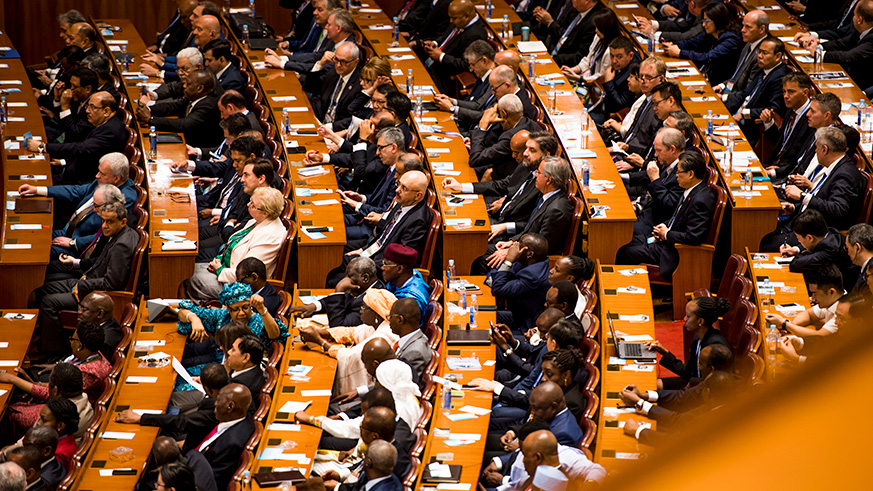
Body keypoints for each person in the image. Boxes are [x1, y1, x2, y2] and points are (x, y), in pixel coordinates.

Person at [33, 201, 138, 355]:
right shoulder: (120, 234)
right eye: (103, 221)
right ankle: (42, 338)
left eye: (110, 221)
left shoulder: (122, 245)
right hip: (88, 281)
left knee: (48, 302)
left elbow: (112, 283)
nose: (104, 226)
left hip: (98, 293)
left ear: (123, 222)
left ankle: (53, 353)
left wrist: (83, 285)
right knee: (42, 289)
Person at [615, 151, 716, 279]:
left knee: (626, 252)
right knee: (624, 242)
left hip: (673, 251)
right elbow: (678, 217)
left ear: (690, 174)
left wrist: (667, 234)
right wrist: (664, 226)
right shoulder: (691, 189)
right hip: (664, 240)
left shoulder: (700, 201)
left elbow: (693, 237)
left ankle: (624, 285)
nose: (676, 175)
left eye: (679, 172)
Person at [18, 152, 135, 261]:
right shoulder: (105, 180)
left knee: (35, 250)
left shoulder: (124, 198)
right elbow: (76, 191)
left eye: (102, 174)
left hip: (79, 247)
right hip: (66, 232)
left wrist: (74, 243)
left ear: (116, 178)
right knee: (29, 234)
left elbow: (109, 233)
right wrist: (37, 190)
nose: (97, 176)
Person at [761, 126, 865, 250]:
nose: (815, 151)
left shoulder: (845, 175)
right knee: (762, 229)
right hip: (803, 222)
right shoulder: (835, 167)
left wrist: (802, 196)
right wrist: (793, 208)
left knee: (764, 242)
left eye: (816, 148)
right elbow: (821, 198)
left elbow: (837, 209)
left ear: (825, 149)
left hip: (817, 234)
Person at [328, 171, 431, 286]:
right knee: (333, 261)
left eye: (404, 188)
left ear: (418, 196)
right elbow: (383, 237)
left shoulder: (418, 221)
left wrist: (364, 262)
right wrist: (362, 250)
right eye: (399, 184)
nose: (397, 190)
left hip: (381, 268)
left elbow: (401, 260)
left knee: (334, 281)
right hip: (372, 253)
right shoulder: (402, 203)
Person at [185, 186, 286, 301]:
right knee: (187, 269)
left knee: (189, 278)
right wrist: (219, 260)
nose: (248, 205)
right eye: (250, 201)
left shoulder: (270, 237)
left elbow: (248, 274)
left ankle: (201, 309)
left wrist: (220, 270)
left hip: (238, 285)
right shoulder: (256, 220)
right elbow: (233, 244)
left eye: (253, 205)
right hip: (226, 268)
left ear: (265, 213)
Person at [476, 156, 574, 274]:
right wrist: (512, 242)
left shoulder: (556, 210)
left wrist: (510, 252)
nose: (535, 175)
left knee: (482, 261)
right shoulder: (546, 195)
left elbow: (542, 248)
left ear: (548, 180)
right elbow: (530, 228)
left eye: (538, 172)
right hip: (522, 246)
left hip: (530, 260)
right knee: (478, 249)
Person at [300, 290, 399, 394]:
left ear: (376, 314)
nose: (361, 310)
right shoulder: (379, 324)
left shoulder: (385, 335)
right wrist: (322, 332)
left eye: (364, 307)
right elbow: (352, 332)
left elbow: (349, 357)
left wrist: (319, 340)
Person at [115, 363, 227, 455]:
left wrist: (140, 418)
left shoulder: (215, 409)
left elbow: (181, 422)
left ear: (207, 388)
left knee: (153, 441)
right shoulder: (227, 392)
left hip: (192, 445)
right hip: (193, 432)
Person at [28, 91, 126, 185]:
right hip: (75, 170)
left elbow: (81, 148)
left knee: (33, 181)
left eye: (92, 107)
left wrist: (43, 147)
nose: (87, 111)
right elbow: (89, 153)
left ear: (106, 111)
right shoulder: (105, 124)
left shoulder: (111, 131)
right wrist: (63, 162)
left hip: (83, 182)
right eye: (88, 106)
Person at [623, 371, 737, 446]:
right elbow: (679, 420)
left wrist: (638, 430)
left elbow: (675, 442)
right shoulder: (719, 406)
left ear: (707, 392)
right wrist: (641, 401)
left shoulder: (709, 420)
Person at [646, 297, 732, 389]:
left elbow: (715, 386)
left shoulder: (715, 348)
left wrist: (685, 391)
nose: (684, 319)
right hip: (696, 382)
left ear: (700, 321)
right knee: (651, 385)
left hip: (706, 391)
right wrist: (665, 352)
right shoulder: (698, 338)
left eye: (688, 316)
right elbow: (689, 372)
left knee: (653, 392)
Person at [620, 343, 734, 413]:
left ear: (711, 369)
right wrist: (643, 396)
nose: (698, 366)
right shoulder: (715, 379)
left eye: (701, 364)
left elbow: (678, 419)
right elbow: (681, 396)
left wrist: (640, 402)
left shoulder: (715, 390)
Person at [177, 282, 289, 347]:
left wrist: (262, 309)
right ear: (228, 309)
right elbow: (183, 309)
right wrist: (194, 319)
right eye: (235, 309)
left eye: (245, 307)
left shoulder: (257, 321)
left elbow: (275, 334)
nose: (241, 313)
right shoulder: (222, 316)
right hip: (218, 357)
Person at [726, 36, 790, 147]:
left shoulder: (780, 77)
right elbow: (745, 93)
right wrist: (725, 108)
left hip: (752, 128)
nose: (759, 56)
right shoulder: (763, 68)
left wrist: (744, 114)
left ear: (778, 56)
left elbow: (773, 109)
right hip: (738, 117)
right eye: (759, 52)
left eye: (764, 53)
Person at [136, 69, 223, 148]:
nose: (184, 86)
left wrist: (150, 120)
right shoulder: (194, 96)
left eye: (188, 84)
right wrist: (148, 109)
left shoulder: (208, 106)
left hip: (196, 149)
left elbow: (183, 125)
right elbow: (174, 107)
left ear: (199, 88)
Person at [192, 383, 255, 491]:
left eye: (218, 400)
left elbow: (209, 481)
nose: (215, 403)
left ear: (230, 407)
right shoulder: (245, 418)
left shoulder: (231, 443)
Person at [802, 0, 873, 94]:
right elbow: (841, 43)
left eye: (854, 15)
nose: (853, 18)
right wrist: (818, 46)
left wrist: (820, 54)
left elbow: (848, 56)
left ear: (860, 20)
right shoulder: (860, 30)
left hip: (862, 87)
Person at [661, 3, 742, 85]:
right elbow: (692, 42)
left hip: (719, 84)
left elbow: (708, 57)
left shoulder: (731, 40)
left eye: (707, 21)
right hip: (706, 77)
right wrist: (672, 45)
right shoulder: (711, 34)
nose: (703, 25)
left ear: (717, 20)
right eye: (703, 21)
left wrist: (680, 53)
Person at [418, 0, 488, 93]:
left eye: (454, 18)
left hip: (444, 77)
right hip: (432, 66)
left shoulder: (475, 34)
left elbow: (466, 64)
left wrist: (441, 57)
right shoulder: (460, 22)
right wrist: (435, 43)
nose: (451, 21)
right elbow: (445, 37)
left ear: (466, 16)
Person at [499, 430, 606, 490]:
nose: (523, 461)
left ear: (538, 457)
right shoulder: (538, 472)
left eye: (525, 456)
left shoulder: (566, 463)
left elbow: (597, 470)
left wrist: (589, 486)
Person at [488, 233, 551, 332]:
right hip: (518, 316)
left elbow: (498, 289)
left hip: (526, 327)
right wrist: (500, 279)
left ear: (530, 254)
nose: (514, 247)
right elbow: (494, 275)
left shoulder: (533, 276)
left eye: (520, 245)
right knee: (482, 314)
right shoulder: (527, 261)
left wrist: (508, 261)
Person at [469, 94, 540, 181]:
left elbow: (475, 159)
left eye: (498, 114)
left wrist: (482, 126)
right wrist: (476, 144)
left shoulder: (510, 136)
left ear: (504, 114)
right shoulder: (532, 124)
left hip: (511, 179)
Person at [761, 72, 817, 180]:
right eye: (784, 91)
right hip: (772, 165)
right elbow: (781, 142)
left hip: (785, 175)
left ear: (805, 92)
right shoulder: (791, 110)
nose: (785, 96)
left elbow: (800, 158)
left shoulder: (811, 119)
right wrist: (769, 123)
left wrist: (777, 171)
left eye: (791, 92)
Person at [432, 40, 497, 131]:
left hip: (470, 129)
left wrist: (452, 108)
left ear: (484, 61)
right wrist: (451, 100)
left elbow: (478, 108)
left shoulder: (493, 82)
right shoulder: (481, 76)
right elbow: (473, 103)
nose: (471, 70)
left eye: (472, 65)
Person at [778, 210, 855, 281]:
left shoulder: (829, 250)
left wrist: (804, 253)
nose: (799, 241)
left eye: (798, 238)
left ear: (810, 238)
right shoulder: (829, 233)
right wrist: (797, 249)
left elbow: (795, 264)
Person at [308, 41, 367, 124]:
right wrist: (320, 63)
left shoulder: (360, 83)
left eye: (344, 62)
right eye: (336, 59)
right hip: (321, 120)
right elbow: (309, 88)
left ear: (356, 62)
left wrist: (331, 126)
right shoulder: (333, 72)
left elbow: (352, 117)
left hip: (337, 126)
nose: (338, 65)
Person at [716, 10, 769, 102]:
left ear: (761, 29)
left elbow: (748, 91)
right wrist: (721, 86)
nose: (742, 30)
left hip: (738, 102)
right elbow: (737, 76)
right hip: (731, 93)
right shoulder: (748, 44)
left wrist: (724, 97)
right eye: (743, 25)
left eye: (748, 27)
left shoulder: (762, 54)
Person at [560, 8, 622, 83]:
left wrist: (579, 78)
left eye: (598, 28)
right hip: (585, 76)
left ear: (605, 29)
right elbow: (587, 60)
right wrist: (572, 70)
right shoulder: (597, 37)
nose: (596, 30)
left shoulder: (610, 51)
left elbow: (601, 77)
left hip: (593, 84)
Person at [541, 0, 608, 67]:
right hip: (553, 51)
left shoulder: (595, 22)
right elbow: (563, 34)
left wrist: (554, 58)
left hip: (565, 65)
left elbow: (580, 56)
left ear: (587, 1)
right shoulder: (576, 7)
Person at [588, 37, 640, 124]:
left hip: (610, 117)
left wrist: (609, 83)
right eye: (612, 56)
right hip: (602, 107)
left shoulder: (633, 74)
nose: (614, 61)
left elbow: (620, 105)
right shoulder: (621, 66)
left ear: (631, 56)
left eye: (619, 57)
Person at [381, 244, 430, 321]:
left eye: (386, 264)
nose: (382, 267)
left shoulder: (409, 300)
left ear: (399, 269)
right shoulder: (411, 275)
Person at [387, 298, 431, 383]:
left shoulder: (414, 352)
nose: (389, 321)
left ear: (400, 319)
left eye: (390, 317)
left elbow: (401, 386)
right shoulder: (416, 339)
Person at [34, 398, 80, 469]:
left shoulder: (58, 455)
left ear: (60, 425)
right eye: (40, 418)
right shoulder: (67, 437)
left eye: (44, 420)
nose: (38, 423)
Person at [637, 0, 711, 43]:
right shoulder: (699, 15)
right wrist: (653, 24)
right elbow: (680, 25)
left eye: (687, 1)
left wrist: (653, 34)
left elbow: (684, 37)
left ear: (692, 4)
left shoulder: (706, 20)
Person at [846, 224, 873, 293]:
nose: (848, 253)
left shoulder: (870, 276)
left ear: (857, 248)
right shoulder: (864, 268)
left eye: (847, 248)